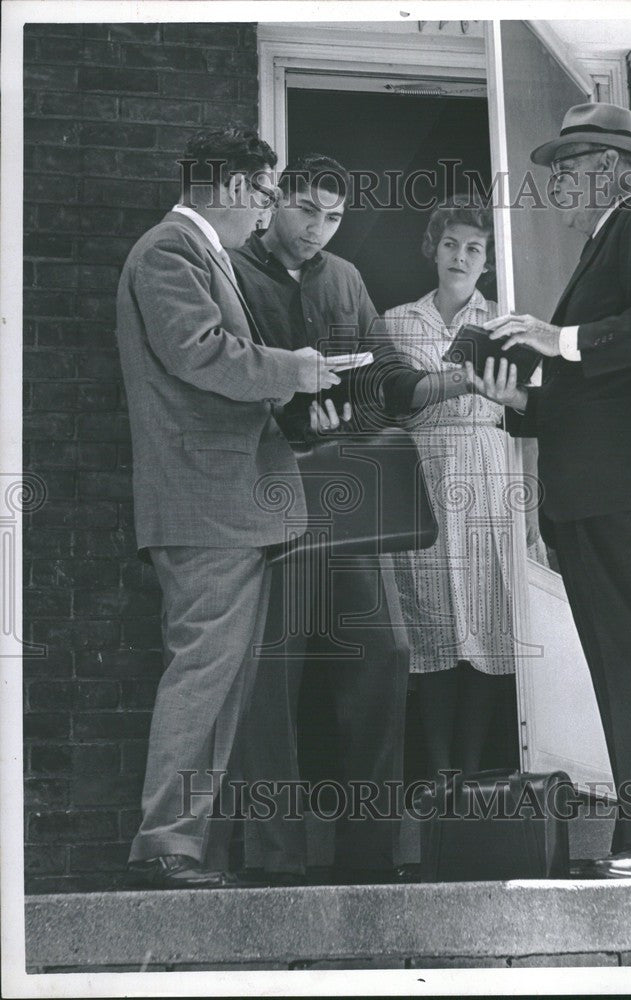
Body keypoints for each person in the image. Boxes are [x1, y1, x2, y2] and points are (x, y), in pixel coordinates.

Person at [469, 103, 631, 879]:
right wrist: (522, 403)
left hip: (630, 483)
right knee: (621, 662)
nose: (556, 187)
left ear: (610, 168)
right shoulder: (609, 239)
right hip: (596, 488)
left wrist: (555, 338)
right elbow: (602, 389)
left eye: (567, 171)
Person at [116, 127, 341, 889]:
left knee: (219, 680)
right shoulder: (168, 251)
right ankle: (167, 845)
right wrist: (296, 369)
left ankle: (180, 846)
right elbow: (202, 352)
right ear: (239, 188)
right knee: (205, 676)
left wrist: (292, 393)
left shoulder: (188, 252)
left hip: (222, 503)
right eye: (268, 195)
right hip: (206, 505)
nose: (268, 213)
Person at [230, 154, 420, 886]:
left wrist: (383, 397)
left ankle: (370, 854)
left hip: (345, 505)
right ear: (275, 202)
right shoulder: (230, 272)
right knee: (269, 678)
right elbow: (221, 374)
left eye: (332, 216)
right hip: (264, 499)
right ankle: (272, 860)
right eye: (306, 208)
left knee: (384, 654)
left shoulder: (345, 279)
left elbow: (386, 371)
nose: (317, 228)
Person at [383, 200, 519, 778]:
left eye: (473, 248)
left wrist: (531, 504)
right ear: (433, 249)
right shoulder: (395, 321)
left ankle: (471, 771)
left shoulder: (507, 323)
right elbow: (389, 401)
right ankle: (439, 774)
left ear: (486, 261)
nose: (460, 256)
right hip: (425, 472)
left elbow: (527, 415)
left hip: (490, 472)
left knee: (489, 620)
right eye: (450, 245)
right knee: (431, 619)